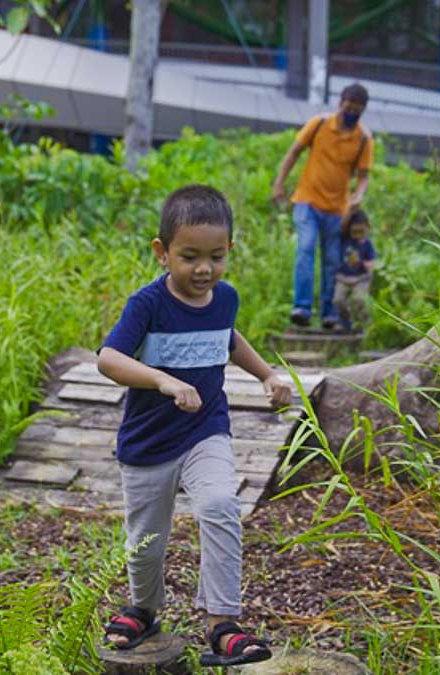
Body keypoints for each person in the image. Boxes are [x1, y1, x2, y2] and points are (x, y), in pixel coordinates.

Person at [97, 184, 292, 668]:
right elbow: (108, 359)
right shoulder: (147, 304)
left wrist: (267, 373)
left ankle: (221, 622)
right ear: (162, 253)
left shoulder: (224, 298)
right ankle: (144, 608)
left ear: (229, 252)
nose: (204, 269)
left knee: (221, 504)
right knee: (146, 542)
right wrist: (162, 381)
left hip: (206, 430)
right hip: (148, 443)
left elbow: (228, 339)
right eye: (189, 257)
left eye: (216, 256)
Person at [270, 82, 374, 330]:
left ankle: (329, 313)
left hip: (338, 209)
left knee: (332, 259)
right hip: (307, 200)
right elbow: (294, 152)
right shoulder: (318, 124)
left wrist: (358, 194)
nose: (351, 113)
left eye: (357, 110)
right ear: (340, 103)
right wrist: (279, 184)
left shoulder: (363, 139)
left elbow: (363, 176)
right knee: (305, 248)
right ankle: (302, 308)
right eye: (349, 107)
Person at [334, 208, 376, 332]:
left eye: (361, 231)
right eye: (355, 231)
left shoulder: (367, 243)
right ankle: (345, 323)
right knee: (338, 300)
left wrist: (369, 267)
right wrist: (350, 212)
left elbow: (371, 260)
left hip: (360, 278)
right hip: (343, 277)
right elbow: (341, 226)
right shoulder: (344, 239)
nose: (358, 234)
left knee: (360, 300)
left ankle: (365, 326)